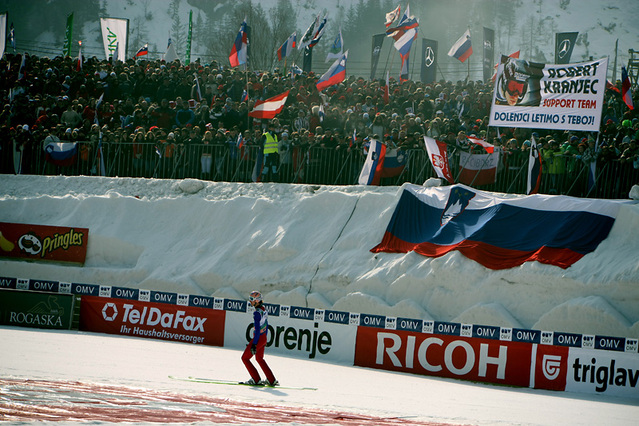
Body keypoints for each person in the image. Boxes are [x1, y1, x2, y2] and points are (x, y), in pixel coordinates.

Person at [241, 291, 278, 387]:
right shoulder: (263, 310)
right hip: (263, 338)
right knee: (259, 358)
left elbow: (257, 330)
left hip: (258, 338)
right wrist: (264, 339)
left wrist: (254, 344)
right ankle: (271, 379)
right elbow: (266, 325)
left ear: (256, 301)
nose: (250, 302)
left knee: (245, 358)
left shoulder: (257, 313)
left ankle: (256, 379)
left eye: (251, 300)